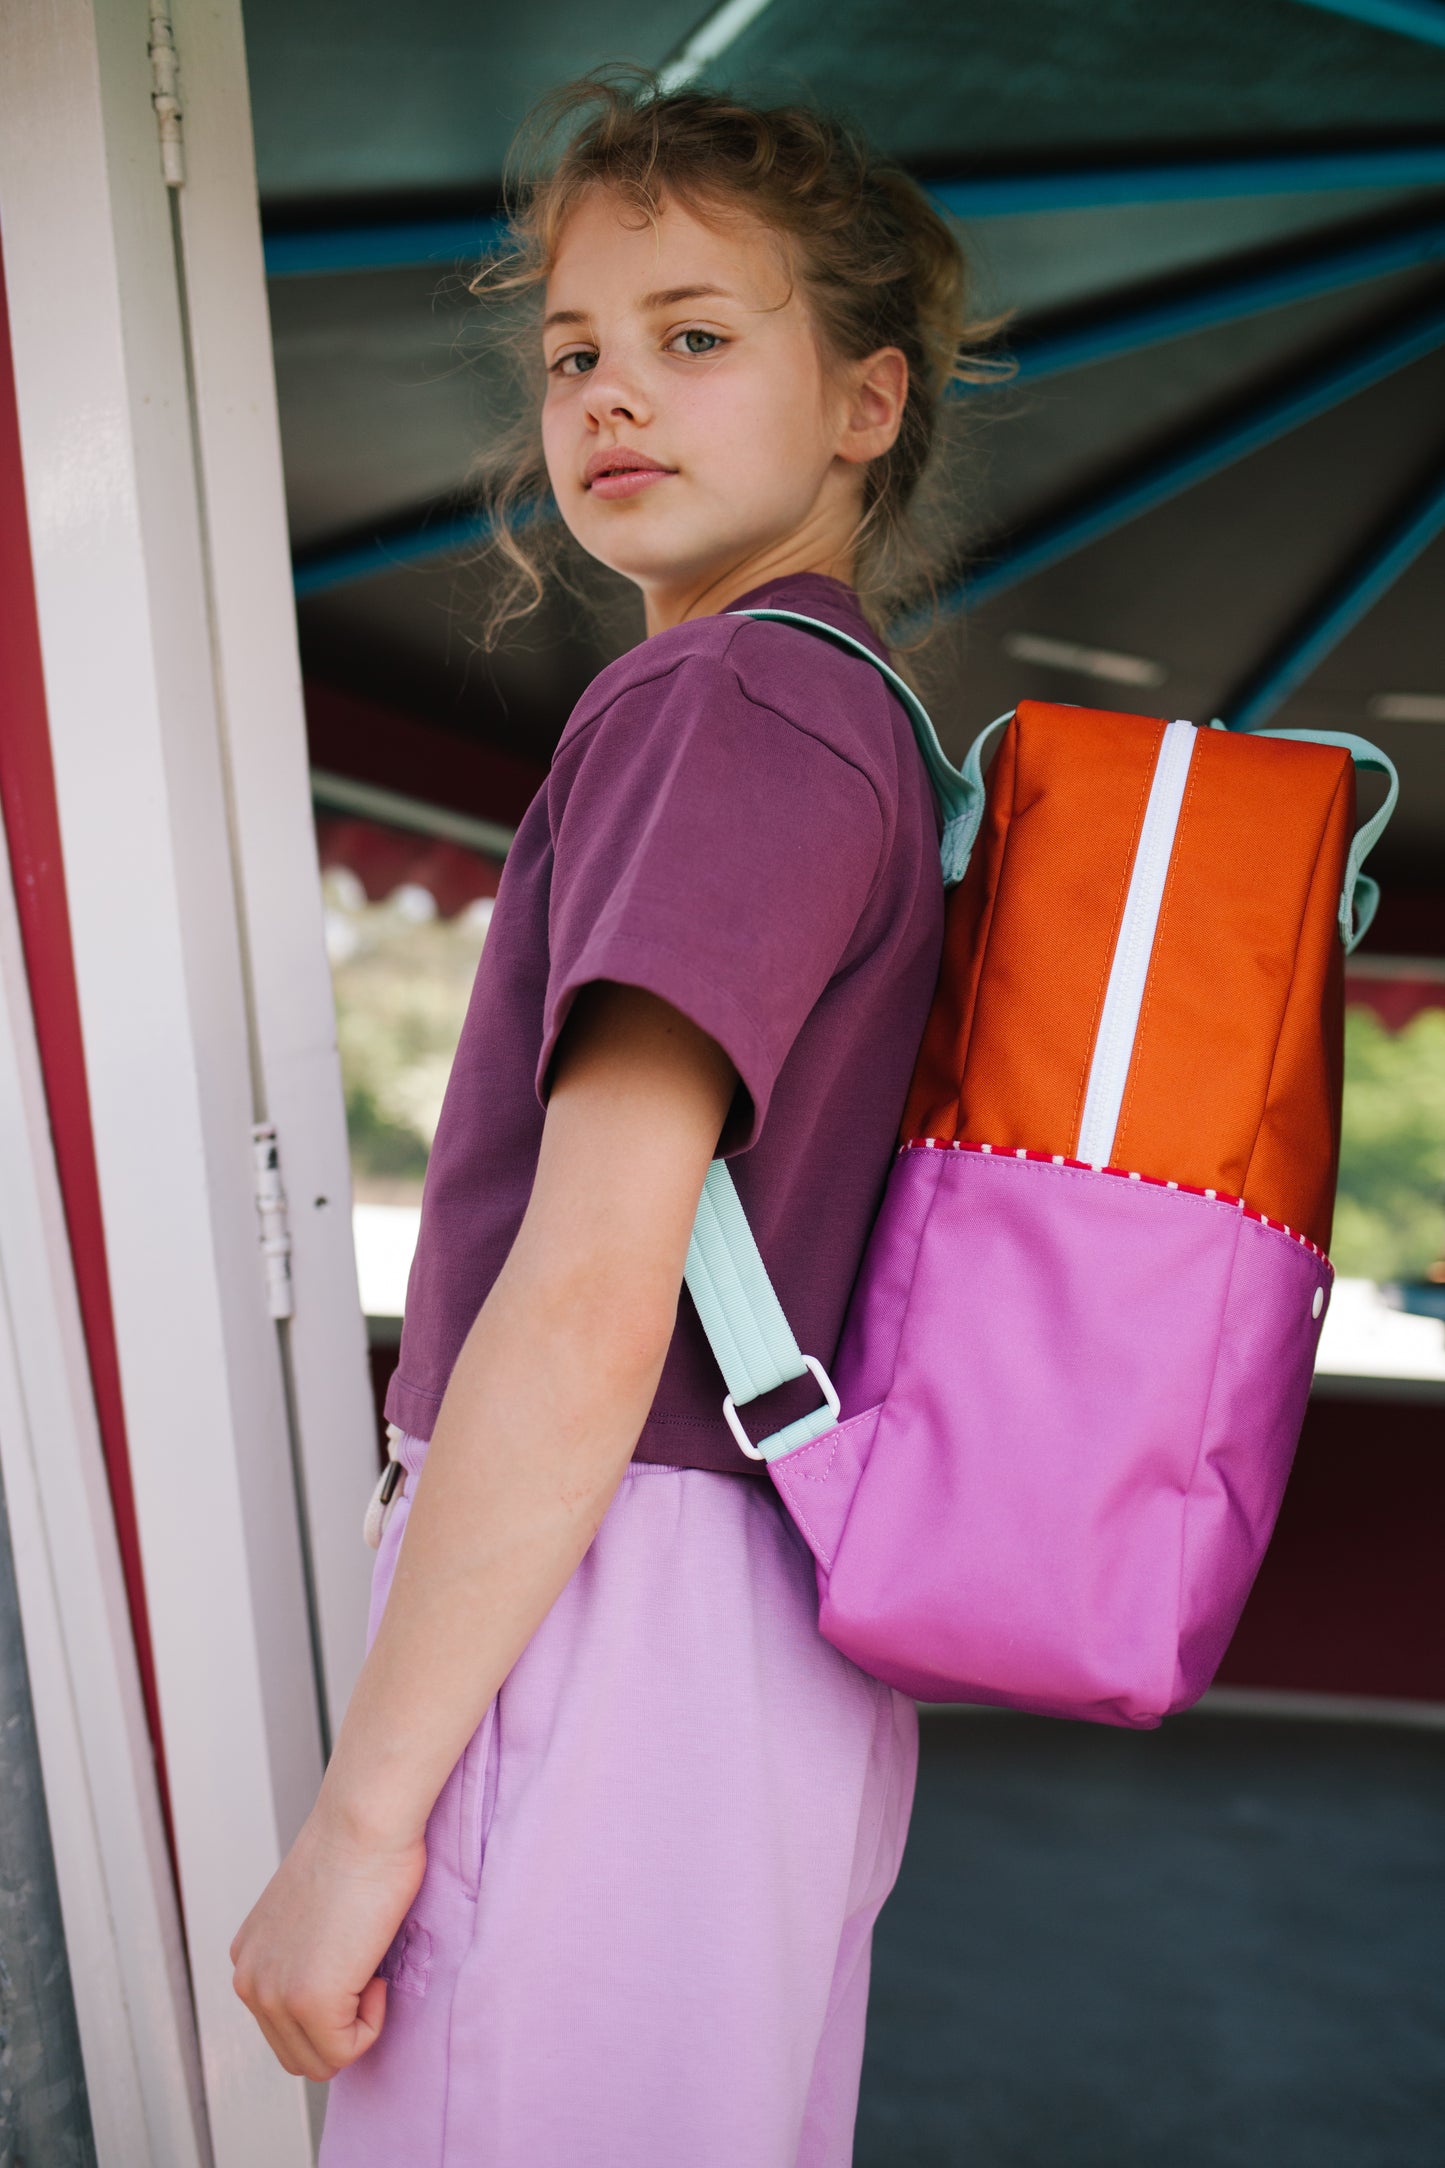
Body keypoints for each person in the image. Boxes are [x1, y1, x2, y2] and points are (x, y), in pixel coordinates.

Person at [231, 71, 995, 2167]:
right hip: (765, 1616)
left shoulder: (721, 702)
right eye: (574, 352)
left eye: (693, 333)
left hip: (613, 1606)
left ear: (864, 401)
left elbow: (587, 1291)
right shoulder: (858, 721)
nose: (608, 396)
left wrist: (359, 1821)